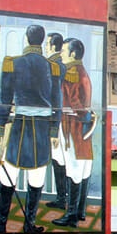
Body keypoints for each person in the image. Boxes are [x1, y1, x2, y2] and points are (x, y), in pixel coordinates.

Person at [0, 25, 62, 234]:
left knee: (8, 173)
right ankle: (29, 225)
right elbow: (57, 103)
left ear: (27, 40)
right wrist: (54, 131)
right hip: (43, 128)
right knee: (36, 178)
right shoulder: (52, 67)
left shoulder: (12, 63)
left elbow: (4, 101)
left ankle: (0, 224)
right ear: (41, 40)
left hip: (21, 125)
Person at [52, 38, 95, 228]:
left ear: (72, 54)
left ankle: (71, 216)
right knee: (83, 169)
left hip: (73, 127)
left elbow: (76, 104)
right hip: (81, 128)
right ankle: (80, 211)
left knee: (74, 169)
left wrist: (80, 115)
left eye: (63, 51)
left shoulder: (72, 73)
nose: (61, 54)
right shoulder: (81, 71)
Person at [44, 33, 68, 210]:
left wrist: (54, 127)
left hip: (57, 120)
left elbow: (56, 98)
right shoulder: (61, 64)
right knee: (59, 160)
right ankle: (63, 198)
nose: (45, 46)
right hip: (60, 120)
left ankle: (62, 198)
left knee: (58, 160)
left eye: (47, 43)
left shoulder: (54, 66)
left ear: (53, 46)